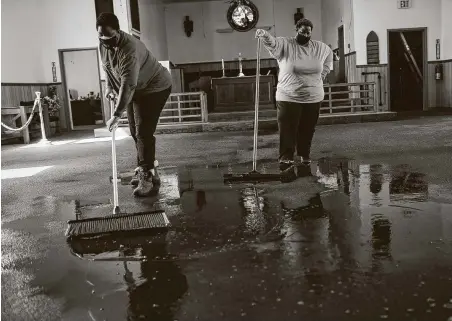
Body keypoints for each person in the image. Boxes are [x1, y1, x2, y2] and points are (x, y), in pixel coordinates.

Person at [97, 12, 172, 197]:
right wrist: (108, 87)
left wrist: (115, 114)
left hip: (155, 87)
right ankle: (148, 169)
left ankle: (147, 177)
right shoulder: (103, 43)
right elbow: (107, 66)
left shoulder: (129, 48)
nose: (106, 41)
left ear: (118, 32)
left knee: (143, 132)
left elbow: (128, 84)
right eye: (102, 37)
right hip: (136, 89)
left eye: (110, 37)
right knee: (134, 130)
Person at [255, 18, 333, 172]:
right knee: (287, 127)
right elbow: (273, 43)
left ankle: (304, 154)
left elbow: (329, 60)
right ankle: (286, 156)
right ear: (297, 30)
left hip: (313, 96)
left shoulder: (320, 47)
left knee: (307, 128)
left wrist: (320, 76)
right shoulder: (286, 44)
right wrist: (264, 35)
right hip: (288, 95)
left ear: (311, 32)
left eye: (308, 31)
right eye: (302, 31)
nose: (305, 34)